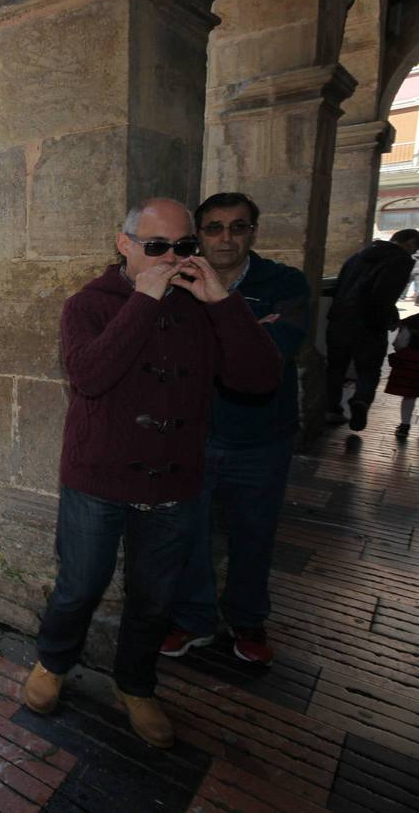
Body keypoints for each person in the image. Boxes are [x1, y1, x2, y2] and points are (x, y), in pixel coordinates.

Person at [21, 198, 281, 750]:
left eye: (183, 247)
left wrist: (223, 303)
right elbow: (90, 376)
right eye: (155, 246)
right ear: (124, 244)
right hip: (98, 478)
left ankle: (137, 686)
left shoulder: (204, 306)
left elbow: (259, 380)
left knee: (155, 599)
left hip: (175, 481)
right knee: (79, 586)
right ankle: (52, 663)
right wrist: (142, 301)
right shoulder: (88, 304)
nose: (171, 258)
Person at [161, 193, 310, 667]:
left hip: (262, 436)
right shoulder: (179, 283)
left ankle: (247, 620)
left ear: (253, 232)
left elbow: (274, 352)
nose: (226, 237)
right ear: (198, 236)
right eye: (214, 228)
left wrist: (225, 321)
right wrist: (248, 329)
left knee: (254, 533)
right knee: (190, 532)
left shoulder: (284, 283)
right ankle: (194, 618)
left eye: (238, 227)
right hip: (195, 433)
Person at [324, 228, 419, 430]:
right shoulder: (399, 260)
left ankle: (331, 409)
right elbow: (383, 296)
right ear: (409, 242)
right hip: (369, 326)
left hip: (340, 320)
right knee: (369, 369)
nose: (414, 253)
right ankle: (361, 400)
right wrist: (391, 318)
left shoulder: (359, 255)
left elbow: (340, 285)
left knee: (335, 367)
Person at [385, 313, 419, 440]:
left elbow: (400, 342)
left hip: (413, 363)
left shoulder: (412, 321)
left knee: (409, 395)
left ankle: (404, 426)